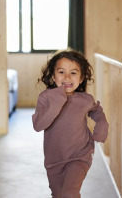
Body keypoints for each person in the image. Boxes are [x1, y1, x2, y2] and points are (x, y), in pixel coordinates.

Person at [32, 48, 109, 198]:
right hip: (54, 160)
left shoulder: (85, 99)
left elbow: (97, 111)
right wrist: (58, 100)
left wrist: (102, 126)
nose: (67, 77)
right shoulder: (46, 98)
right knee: (58, 194)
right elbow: (38, 125)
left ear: (81, 79)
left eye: (73, 73)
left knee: (70, 193)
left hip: (80, 155)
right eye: (61, 72)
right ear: (53, 76)